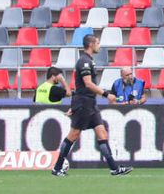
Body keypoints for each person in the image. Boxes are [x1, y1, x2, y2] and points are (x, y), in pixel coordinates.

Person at [51, 34, 133, 177]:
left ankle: (114, 169)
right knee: (73, 135)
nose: (99, 45)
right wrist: (107, 94)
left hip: (90, 103)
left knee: (102, 133)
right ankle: (57, 168)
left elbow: (81, 84)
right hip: (83, 103)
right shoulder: (84, 62)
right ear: (91, 44)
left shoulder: (89, 61)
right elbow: (88, 84)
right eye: (98, 43)